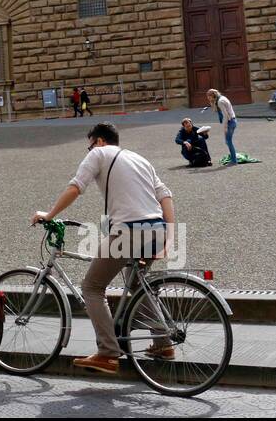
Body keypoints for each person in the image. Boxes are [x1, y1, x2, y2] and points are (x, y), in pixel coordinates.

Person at [31, 122, 175, 374]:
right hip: (157, 228)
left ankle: (108, 353)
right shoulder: (140, 159)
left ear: (98, 141)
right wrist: (170, 235)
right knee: (135, 284)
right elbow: (165, 195)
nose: (89, 150)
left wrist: (49, 214)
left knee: (92, 287)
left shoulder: (98, 153)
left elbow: (76, 186)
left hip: (129, 230)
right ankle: (163, 343)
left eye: (89, 145)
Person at [207, 88, 239, 164]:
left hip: (230, 122)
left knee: (228, 141)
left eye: (209, 97)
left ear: (212, 96)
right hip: (233, 120)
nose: (208, 99)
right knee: (228, 141)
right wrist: (212, 103)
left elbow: (226, 116)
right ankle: (233, 157)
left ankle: (234, 160)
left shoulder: (220, 102)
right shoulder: (222, 98)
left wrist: (225, 127)